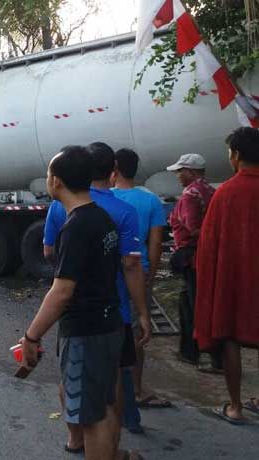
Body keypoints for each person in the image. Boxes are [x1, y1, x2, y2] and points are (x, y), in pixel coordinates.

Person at [23, 145, 142, 460]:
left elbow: (61, 292)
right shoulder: (102, 218)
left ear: (57, 181)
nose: (47, 178)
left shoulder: (76, 227)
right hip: (109, 323)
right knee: (101, 405)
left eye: (49, 173)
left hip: (86, 332)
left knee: (90, 418)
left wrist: (32, 336)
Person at [195, 127, 259, 425]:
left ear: (236, 155)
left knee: (231, 336)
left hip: (234, 282)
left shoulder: (226, 194)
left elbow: (208, 248)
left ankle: (235, 406)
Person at [113, 149, 172, 412]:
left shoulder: (105, 199)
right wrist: (150, 274)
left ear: (115, 168)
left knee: (109, 330)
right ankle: (136, 390)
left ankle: (111, 388)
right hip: (139, 273)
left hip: (110, 276)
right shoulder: (151, 202)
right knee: (138, 332)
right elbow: (156, 242)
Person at [166, 153, 223, 371]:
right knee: (189, 303)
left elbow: (193, 228)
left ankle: (207, 355)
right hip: (205, 255)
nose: (178, 176)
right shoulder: (211, 191)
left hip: (192, 256)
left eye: (181, 171)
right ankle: (190, 350)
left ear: (191, 172)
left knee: (195, 304)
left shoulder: (190, 194)